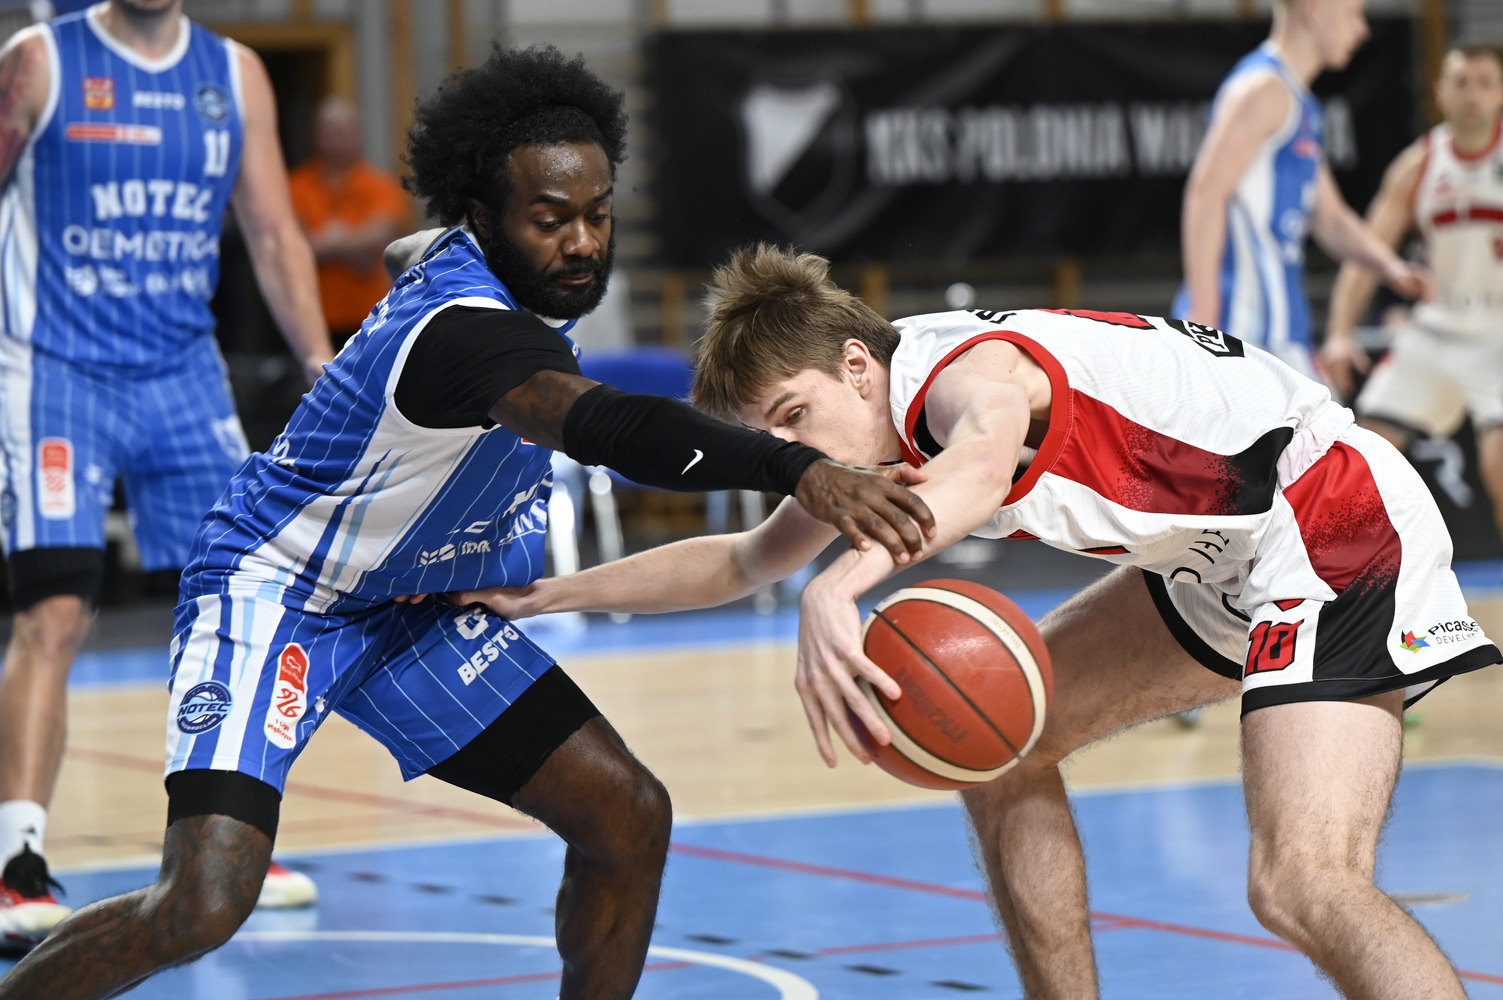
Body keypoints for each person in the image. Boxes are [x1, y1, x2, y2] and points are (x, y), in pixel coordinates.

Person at [0, 47, 934, 999]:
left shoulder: (493, 269)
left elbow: (414, 253)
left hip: (412, 604)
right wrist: (796, 466)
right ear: (483, 219)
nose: (582, 242)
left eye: (598, 213)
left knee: (626, 816)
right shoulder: (464, 332)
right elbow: (605, 426)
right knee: (204, 900)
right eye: (550, 220)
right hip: (280, 587)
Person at [462, 244, 1499, 999]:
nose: (790, 452)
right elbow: (740, 560)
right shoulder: (861, 441)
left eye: (792, 419)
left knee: (1300, 883)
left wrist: (835, 589)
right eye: (768, 437)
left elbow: (979, 468)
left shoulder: (969, 373)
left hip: (1331, 520)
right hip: (1215, 554)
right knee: (1000, 746)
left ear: (858, 367)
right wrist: (549, 593)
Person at [0, 0, 334, 948]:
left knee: (237, 609)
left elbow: (273, 232)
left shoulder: (234, 75)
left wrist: (320, 360)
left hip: (183, 376)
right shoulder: (39, 61)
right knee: (54, 609)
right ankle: (15, 864)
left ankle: (225, 841)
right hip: (55, 373)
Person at [1174, 0, 1428, 380]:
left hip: (1281, 332)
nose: (1362, 30)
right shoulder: (1264, 90)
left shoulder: (1299, 103)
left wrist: (1391, 267)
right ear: (1314, 10)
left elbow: (1331, 219)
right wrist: (1203, 314)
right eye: (1352, 13)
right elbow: (1205, 193)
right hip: (1239, 328)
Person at [1321, 45, 1503, 534]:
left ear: (1501, 94)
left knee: (1500, 465)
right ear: (1440, 92)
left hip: (1499, 336)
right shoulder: (1418, 164)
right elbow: (1366, 253)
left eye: (1485, 83)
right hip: (1438, 328)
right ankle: (1350, 575)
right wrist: (1339, 333)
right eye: (1461, 82)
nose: (1472, 95)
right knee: (1361, 457)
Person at [289, 96, 409, 347]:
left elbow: (381, 235)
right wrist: (356, 250)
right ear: (316, 136)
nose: (338, 140)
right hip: (311, 316)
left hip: (371, 314)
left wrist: (323, 245)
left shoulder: (379, 185)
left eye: (345, 132)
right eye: (331, 132)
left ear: (358, 135)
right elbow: (293, 244)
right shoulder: (296, 186)